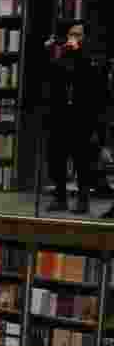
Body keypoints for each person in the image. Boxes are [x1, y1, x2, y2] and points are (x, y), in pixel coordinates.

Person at [45, 22, 106, 214]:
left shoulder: (90, 57)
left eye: (78, 35)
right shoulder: (63, 55)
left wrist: (78, 52)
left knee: (82, 161)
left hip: (83, 117)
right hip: (61, 116)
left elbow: (93, 81)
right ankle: (60, 197)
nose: (74, 38)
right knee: (57, 159)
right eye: (71, 34)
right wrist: (54, 54)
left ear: (85, 37)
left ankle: (82, 199)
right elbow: (52, 78)